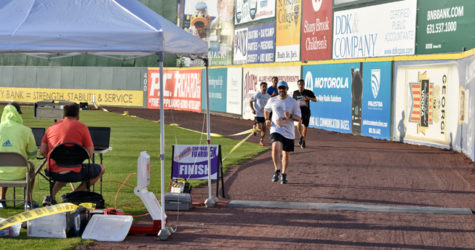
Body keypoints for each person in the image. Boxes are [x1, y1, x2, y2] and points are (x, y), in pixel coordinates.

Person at [40, 103, 105, 206]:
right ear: (78, 115)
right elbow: (90, 153)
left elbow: (43, 151)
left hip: (54, 171)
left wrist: (57, 157)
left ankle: (50, 196)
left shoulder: (51, 128)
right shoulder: (82, 127)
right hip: (74, 171)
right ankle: (72, 196)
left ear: (62, 115)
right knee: (101, 168)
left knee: (64, 168)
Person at [0, 102, 38, 209]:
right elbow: (32, 154)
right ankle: (28, 201)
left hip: (1, 174)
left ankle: (1, 200)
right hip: (20, 173)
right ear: (18, 114)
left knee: (4, 167)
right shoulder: (26, 130)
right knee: (31, 170)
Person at [264, 81, 301, 184]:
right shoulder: (272, 100)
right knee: (275, 147)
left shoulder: (293, 102)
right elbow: (266, 110)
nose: (281, 90)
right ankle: (277, 170)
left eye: (283, 88)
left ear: (287, 89)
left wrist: (290, 116)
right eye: (280, 88)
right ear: (278, 89)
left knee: (286, 154)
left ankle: (284, 173)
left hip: (288, 131)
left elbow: (299, 118)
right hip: (276, 128)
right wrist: (267, 119)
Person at [292, 79, 317, 148]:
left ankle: (303, 141)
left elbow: (315, 99)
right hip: (298, 112)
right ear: (297, 85)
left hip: (306, 111)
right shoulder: (295, 93)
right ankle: (301, 136)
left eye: (302, 84)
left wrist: (308, 98)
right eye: (299, 84)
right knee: (298, 126)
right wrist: (297, 103)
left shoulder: (308, 92)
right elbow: (293, 102)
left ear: (304, 84)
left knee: (305, 126)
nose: (300, 85)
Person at [250, 82, 271, 146]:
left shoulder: (268, 95)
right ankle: (255, 128)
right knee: (259, 128)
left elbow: (270, 104)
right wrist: (252, 109)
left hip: (264, 115)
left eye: (265, 87)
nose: (264, 88)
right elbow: (250, 101)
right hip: (258, 114)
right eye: (263, 87)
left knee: (264, 128)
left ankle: (261, 140)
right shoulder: (257, 94)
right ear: (260, 87)